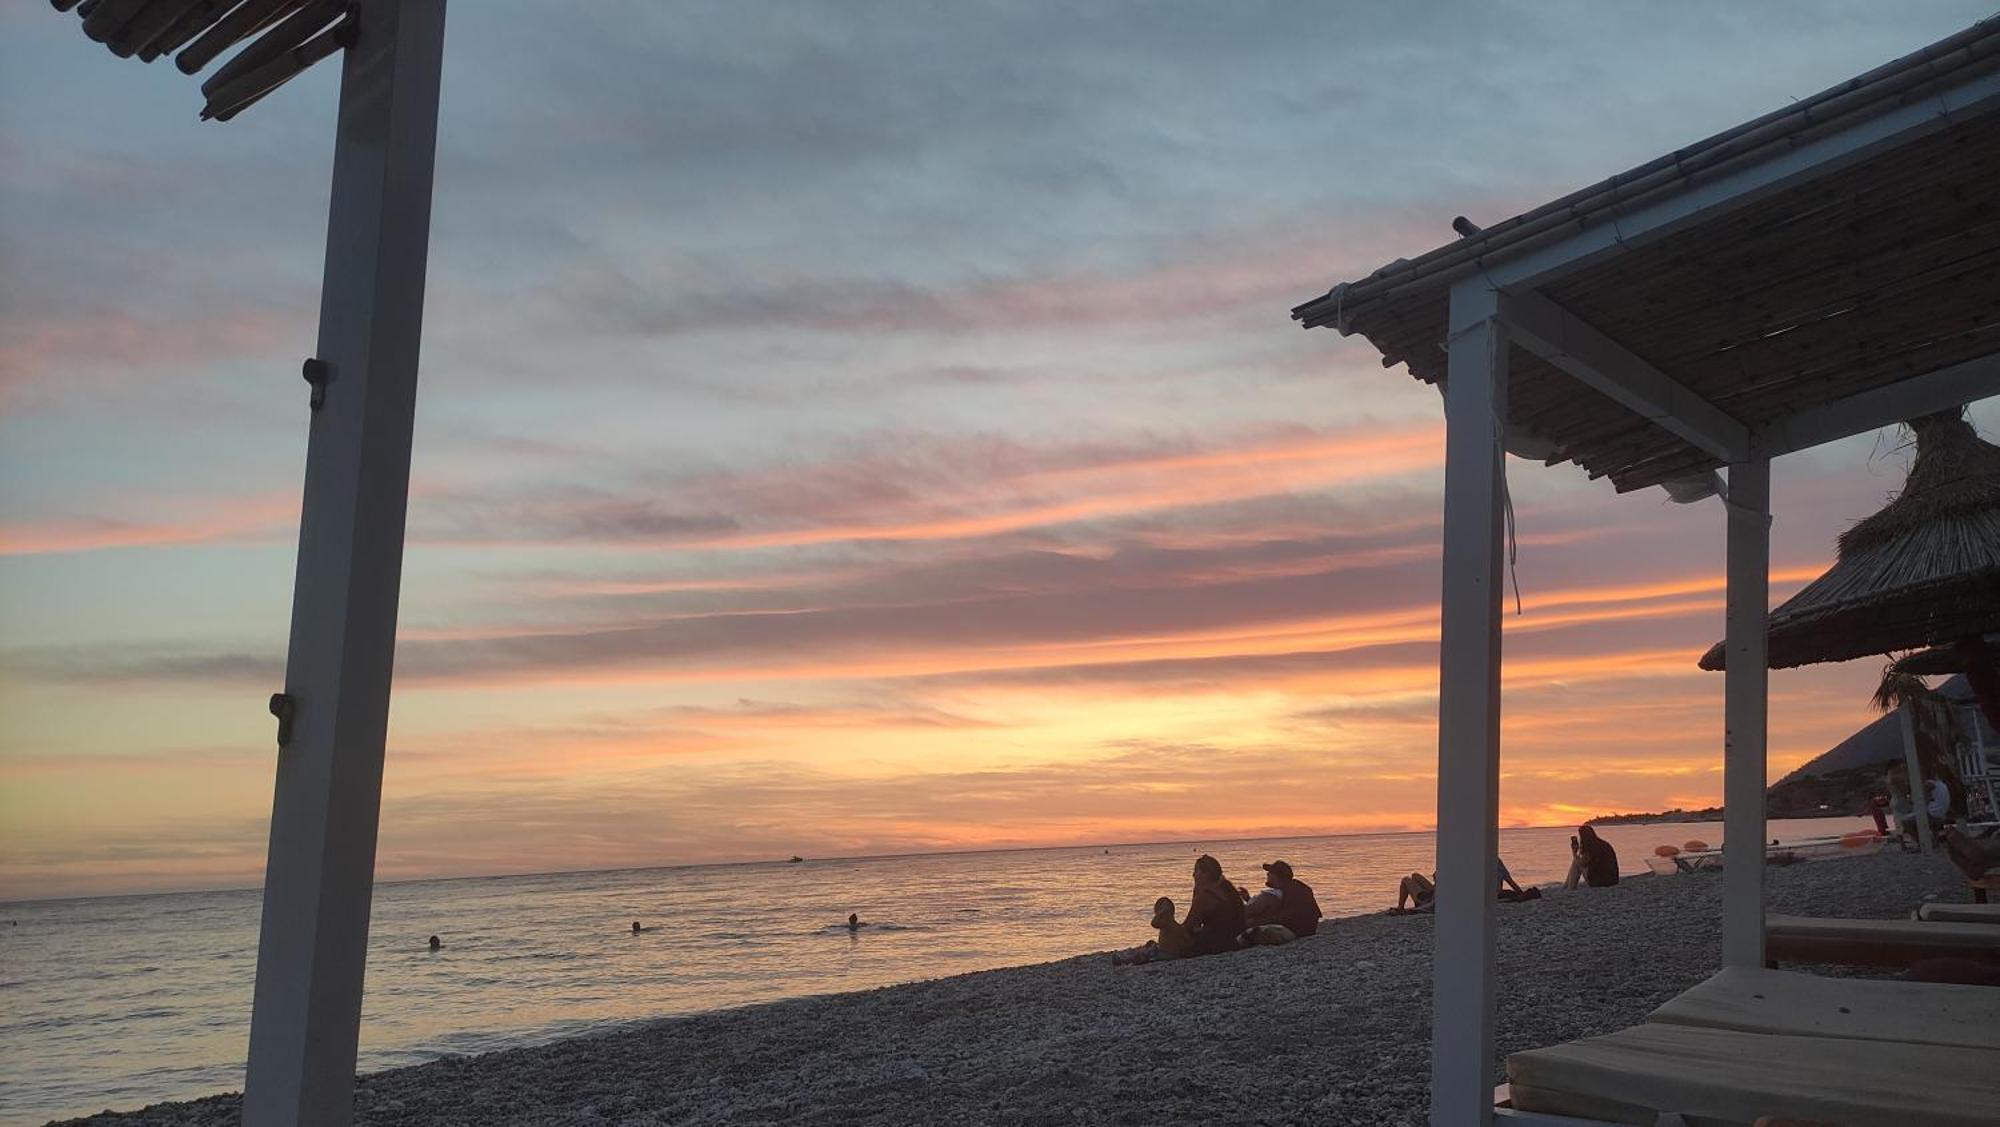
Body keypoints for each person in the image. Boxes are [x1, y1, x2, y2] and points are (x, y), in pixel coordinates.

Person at [1183, 854, 1247, 956]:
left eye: (1196, 871)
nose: (1193, 875)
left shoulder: (1205, 897)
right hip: (1234, 939)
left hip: (1216, 944)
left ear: (1207, 874)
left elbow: (1188, 926)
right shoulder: (1227, 890)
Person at [1242, 860, 1322, 939]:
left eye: (1270, 872)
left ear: (1276, 876)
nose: (1267, 874)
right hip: (1303, 929)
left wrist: (1256, 922)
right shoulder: (1292, 888)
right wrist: (1248, 899)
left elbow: (1284, 917)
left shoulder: (1293, 891)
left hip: (1296, 931)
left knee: (1252, 931)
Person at [1112, 897, 1196, 965]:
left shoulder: (1167, 924)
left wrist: (1161, 913)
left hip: (1166, 954)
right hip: (1170, 953)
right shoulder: (1176, 926)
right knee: (1151, 944)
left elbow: (1153, 923)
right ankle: (1130, 956)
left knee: (1146, 954)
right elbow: (1186, 939)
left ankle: (1125, 961)